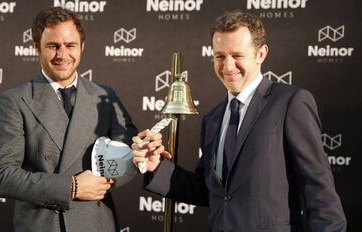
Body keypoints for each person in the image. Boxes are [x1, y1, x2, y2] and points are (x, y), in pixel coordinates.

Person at [132, 10, 347, 231]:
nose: (228, 66)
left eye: (237, 56)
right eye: (220, 56)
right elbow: (210, 191)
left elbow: (318, 187)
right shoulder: (213, 119)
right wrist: (157, 167)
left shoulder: (290, 102)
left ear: (261, 54)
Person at [0, 6, 137, 232]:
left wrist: (117, 171)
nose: (62, 55)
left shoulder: (105, 96)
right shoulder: (14, 101)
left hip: (96, 224)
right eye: (53, 46)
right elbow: (1, 176)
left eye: (70, 45)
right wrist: (71, 187)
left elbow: (128, 154)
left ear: (82, 47)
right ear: (36, 47)